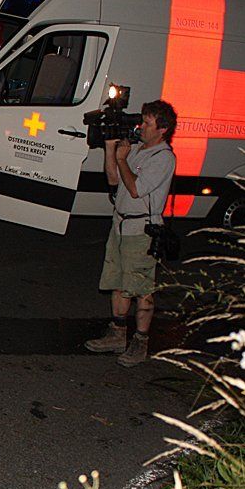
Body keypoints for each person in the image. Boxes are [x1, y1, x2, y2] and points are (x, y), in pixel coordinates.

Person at [84, 100, 178, 366]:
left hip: (141, 230)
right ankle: (117, 335)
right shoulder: (136, 149)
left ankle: (140, 342)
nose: (141, 127)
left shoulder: (164, 158)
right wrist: (110, 148)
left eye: (147, 123)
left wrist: (122, 159)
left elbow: (136, 189)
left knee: (141, 289)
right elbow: (114, 179)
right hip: (120, 225)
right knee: (118, 283)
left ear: (162, 129)